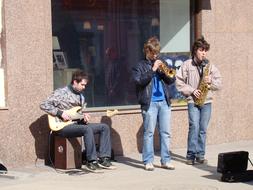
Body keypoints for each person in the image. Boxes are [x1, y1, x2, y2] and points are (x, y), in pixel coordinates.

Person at [40, 70, 115, 171]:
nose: (84, 87)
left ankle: (104, 158)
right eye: (82, 85)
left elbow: (78, 116)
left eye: (85, 85)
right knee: (87, 130)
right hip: (62, 126)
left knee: (104, 127)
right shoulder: (61, 92)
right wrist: (60, 113)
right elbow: (44, 105)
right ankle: (91, 161)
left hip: (75, 125)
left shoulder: (81, 97)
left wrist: (84, 118)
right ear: (75, 82)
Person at [176, 36, 222, 165]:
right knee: (194, 126)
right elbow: (178, 83)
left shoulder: (210, 66)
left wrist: (211, 81)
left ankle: (200, 155)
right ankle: (190, 155)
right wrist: (191, 90)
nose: (204, 53)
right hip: (193, 101)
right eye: (202, 50)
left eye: (205, 51)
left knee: (203, 129)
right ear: (195, 50)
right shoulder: (186, 65)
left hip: (206, 101)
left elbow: (219, 84)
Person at [132, 36, 176, 171]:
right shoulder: (139, 66)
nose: (156, 55)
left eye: (157, 53)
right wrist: (152, 70)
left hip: (164, 102)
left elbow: (171, 80)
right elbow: (139, 82)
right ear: (147, 51)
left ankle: (166, 160)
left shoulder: (161, 62)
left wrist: (164, 72)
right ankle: (148, 160)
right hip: (149, 102)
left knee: (166, 132)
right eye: (153, 53)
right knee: (149, 132)